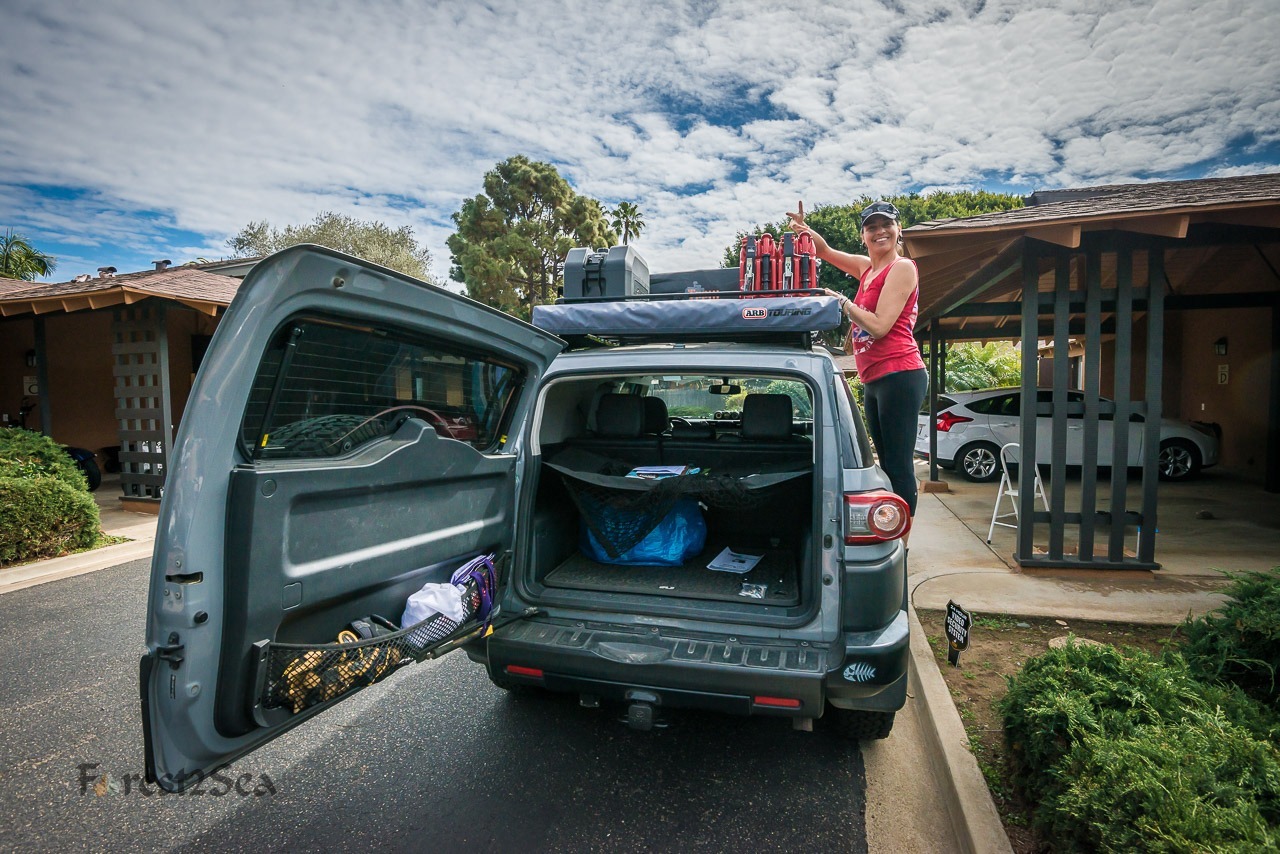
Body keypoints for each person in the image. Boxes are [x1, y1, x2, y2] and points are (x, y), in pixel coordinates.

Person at [787, 200, 927, 540]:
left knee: (898, 466)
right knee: (884, 464)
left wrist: (843, 303)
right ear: (863, 235)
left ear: (898, 231)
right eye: (871, 227)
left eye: (886, 225)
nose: (879, 232)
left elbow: (879, 326)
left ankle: (901, 544)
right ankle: (894, 532)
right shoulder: (867, 268)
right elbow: (825, 252)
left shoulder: (902, 268)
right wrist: (804, 230)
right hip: (875, 376)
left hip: (900, 373)